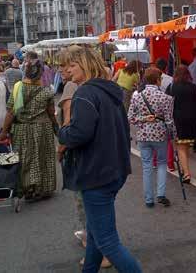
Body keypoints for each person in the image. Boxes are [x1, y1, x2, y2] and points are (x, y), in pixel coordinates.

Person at [58, 47, 141, 273]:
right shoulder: (110, 90)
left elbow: (78, 134)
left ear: (85, 65)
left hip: (96, 173)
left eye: (72, 65)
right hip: (115, 170)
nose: (67, 70)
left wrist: (62, 133)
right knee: (95, 233)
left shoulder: (85, 93)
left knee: (107, 242)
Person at [56, 48, 111, 269]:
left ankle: (100, 251)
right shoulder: (103, 87)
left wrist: (62, 140)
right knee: (101, 216)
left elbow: (75, 126)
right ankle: (95, 255)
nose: (63, 70)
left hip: (90, 163)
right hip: (106, 163)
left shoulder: (80, 90)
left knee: (90, 210)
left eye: (67, 65)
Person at [0, 58, 58, 201]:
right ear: (41, 74)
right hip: (42, 129)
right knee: (42, 158)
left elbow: (11, 112)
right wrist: (57, 129)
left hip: (21, 129)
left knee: (25, 159)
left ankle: (27, 188)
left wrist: (4, 131)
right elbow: (51, 113)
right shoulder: (46, 91)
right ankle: (41, 189)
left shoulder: (18, 89)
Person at [128, 68, 176, 208]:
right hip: (160, 135)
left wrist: (143, 118)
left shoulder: (137, 96)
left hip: (143, 135)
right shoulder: (166, 98)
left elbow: (130, 118)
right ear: (157, 80)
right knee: (161, 163)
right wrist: (173, 136)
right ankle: (160, 194)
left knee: (147, 166)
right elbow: (169, 121)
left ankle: (149, 199)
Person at [166, 65, 196, 183]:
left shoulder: (172, 87)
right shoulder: (193, 87)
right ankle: (186, 168)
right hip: (192, 119)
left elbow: (167, 104)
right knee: (185, 146)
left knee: (180, 147)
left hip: (178, 119)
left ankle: (186, 173)